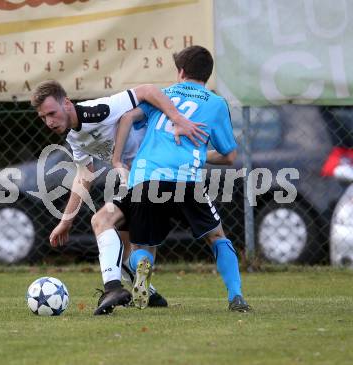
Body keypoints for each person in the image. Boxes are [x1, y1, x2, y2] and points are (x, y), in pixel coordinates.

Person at [93, 45, 251, 314]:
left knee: (142, 244)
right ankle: (236, 297)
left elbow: (128, 117)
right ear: (207, 75)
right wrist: (198, 156)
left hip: (145, 178)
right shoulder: (214, 103)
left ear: (180, 72)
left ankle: (141, 270)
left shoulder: (162, 96)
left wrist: (117, 159)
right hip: (185, 179)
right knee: (216, 237)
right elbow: (230, 156)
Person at [30, 80, 208, 314]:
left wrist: (178, 119)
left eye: (52, 113)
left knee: (101, 221)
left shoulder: (100, 110)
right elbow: (84, 175)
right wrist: (65, 222)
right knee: (121, 248)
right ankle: (149, 294)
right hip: (139, 181)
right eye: (43, 118)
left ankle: (113, 288)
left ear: (67, 103)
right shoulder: (75, 136)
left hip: (155, 175)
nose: (49, 122)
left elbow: (148, 90)